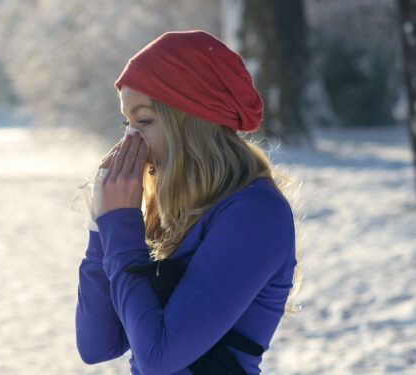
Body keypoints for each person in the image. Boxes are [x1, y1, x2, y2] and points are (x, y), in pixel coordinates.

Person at [73, 30, 302, 374]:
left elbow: (158, 357)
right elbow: (97, 344)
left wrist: (120, 225)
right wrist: (101, 227)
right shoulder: (177, 210)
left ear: (191, 122)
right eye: (127, 122)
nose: (129, 139)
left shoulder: (255, 214)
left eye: (144, 121)